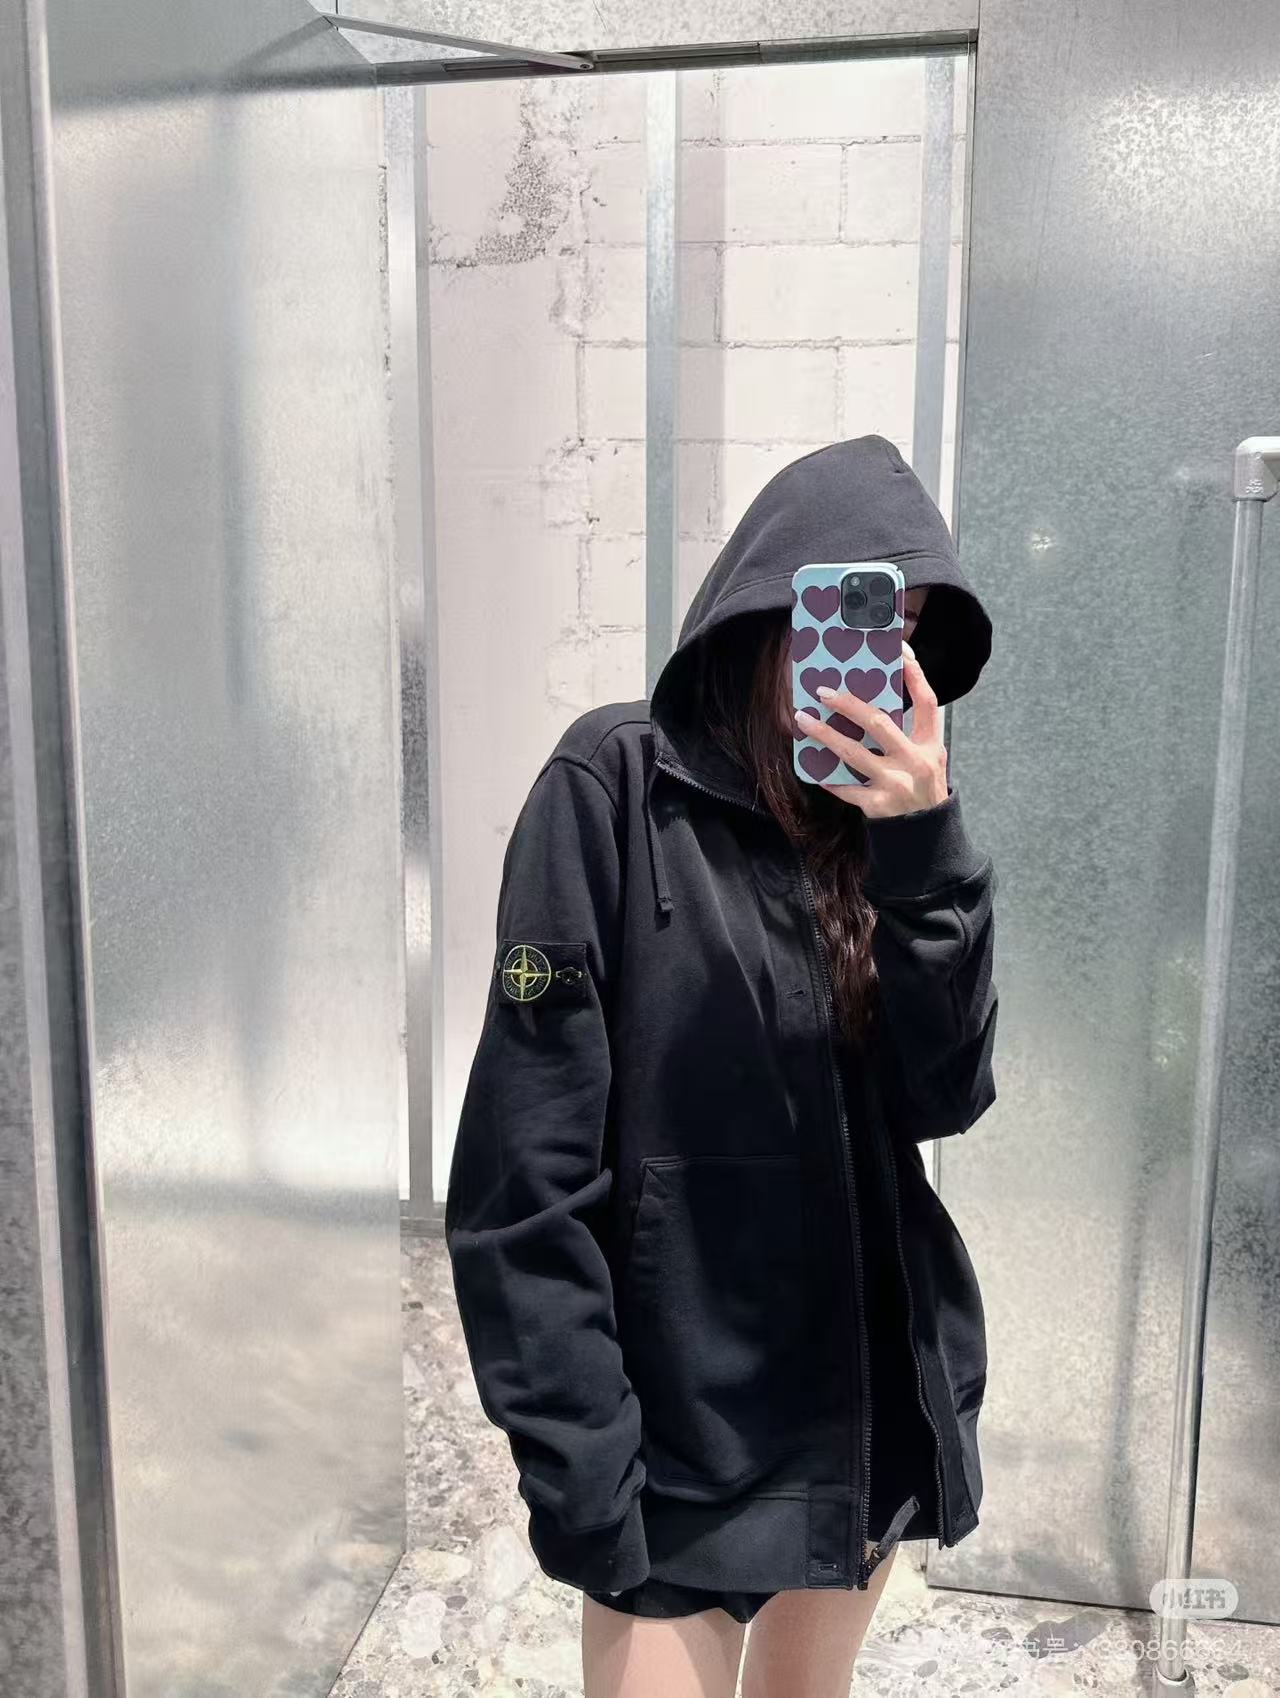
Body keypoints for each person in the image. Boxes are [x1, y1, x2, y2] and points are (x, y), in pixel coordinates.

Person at [445, 436, 999, 1698]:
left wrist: (924, 849)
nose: (879, 655)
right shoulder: (612, 785)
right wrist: (580, 1462)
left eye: (908, 629)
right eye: (857, 613)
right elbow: (524, 1167)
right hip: (676, 1426)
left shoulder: (889, 830)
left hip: (855, 1407)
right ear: (769, 605)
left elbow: (946, 1097)